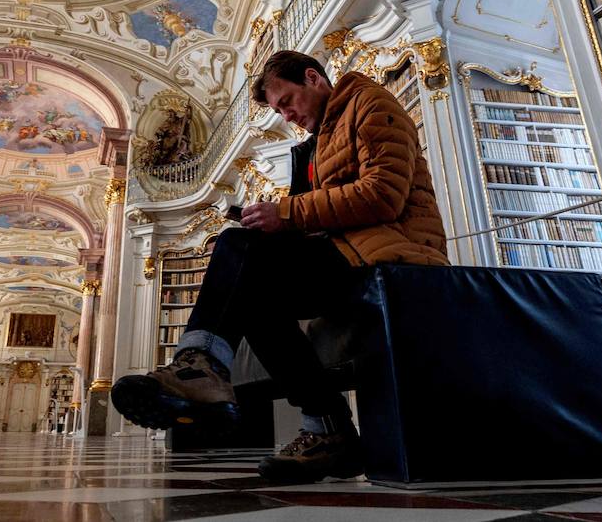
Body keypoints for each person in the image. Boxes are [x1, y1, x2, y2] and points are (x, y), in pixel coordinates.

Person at [111, 50, 448, 482]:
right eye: (278, 110)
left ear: (313, 78)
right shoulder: (320, 139)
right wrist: (280, 225)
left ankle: (203, 366)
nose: (287, 115)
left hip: (395, 251)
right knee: (250, 289)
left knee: (238, 247)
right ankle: (326, 430)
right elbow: (325, 216)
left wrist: (286, 213)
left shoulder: (371, 101)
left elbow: (383, 195)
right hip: (351, 251)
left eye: (288, 101)